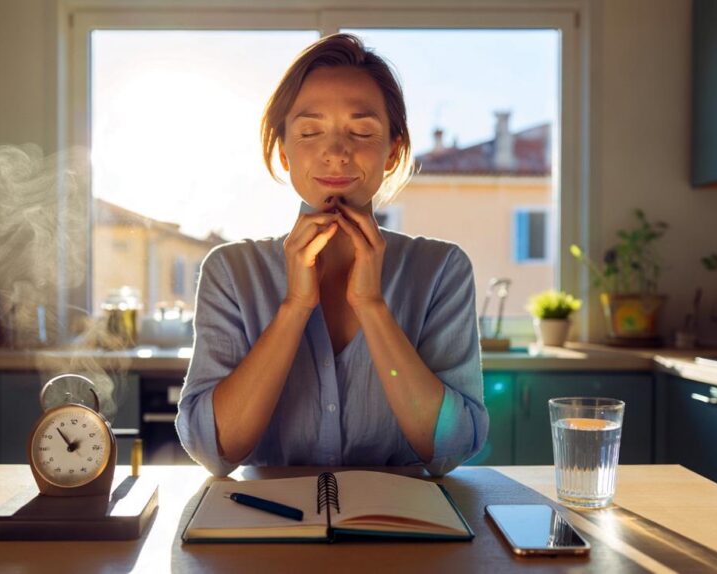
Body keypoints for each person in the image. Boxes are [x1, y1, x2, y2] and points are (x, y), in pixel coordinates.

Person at [176, 33, 488, 477]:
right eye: (309, 131)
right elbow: (216, 450)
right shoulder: (231, 271)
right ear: (284, 152)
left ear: (392, 151)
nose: (336, 152)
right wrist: (294, 307)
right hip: (266, 532)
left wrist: (372, 307)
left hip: (403, 535)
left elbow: (449, 450)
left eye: (361, 131)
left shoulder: (441, 270)